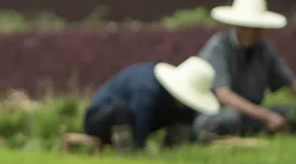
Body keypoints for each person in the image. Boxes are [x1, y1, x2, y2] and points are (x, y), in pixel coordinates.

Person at [195, 0, 296, 138]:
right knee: (230, 118)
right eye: (245, 26)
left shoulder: (264, 50)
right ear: (236, 24)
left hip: (252, 115)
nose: (250, 32)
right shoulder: (218, 48)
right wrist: (265, 116)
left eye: (255, 27)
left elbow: (294, 83)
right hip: (218, 114)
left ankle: (260, 131)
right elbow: (223, 95)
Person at [82, 57, 219, 152]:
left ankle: (173, 152)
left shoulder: (175, 102)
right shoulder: (148, 89)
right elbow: (139, 124)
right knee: (122, 112)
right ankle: (128, 156)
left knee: (184, 113)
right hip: (100, 118)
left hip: (133, 118)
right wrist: (141, 150)